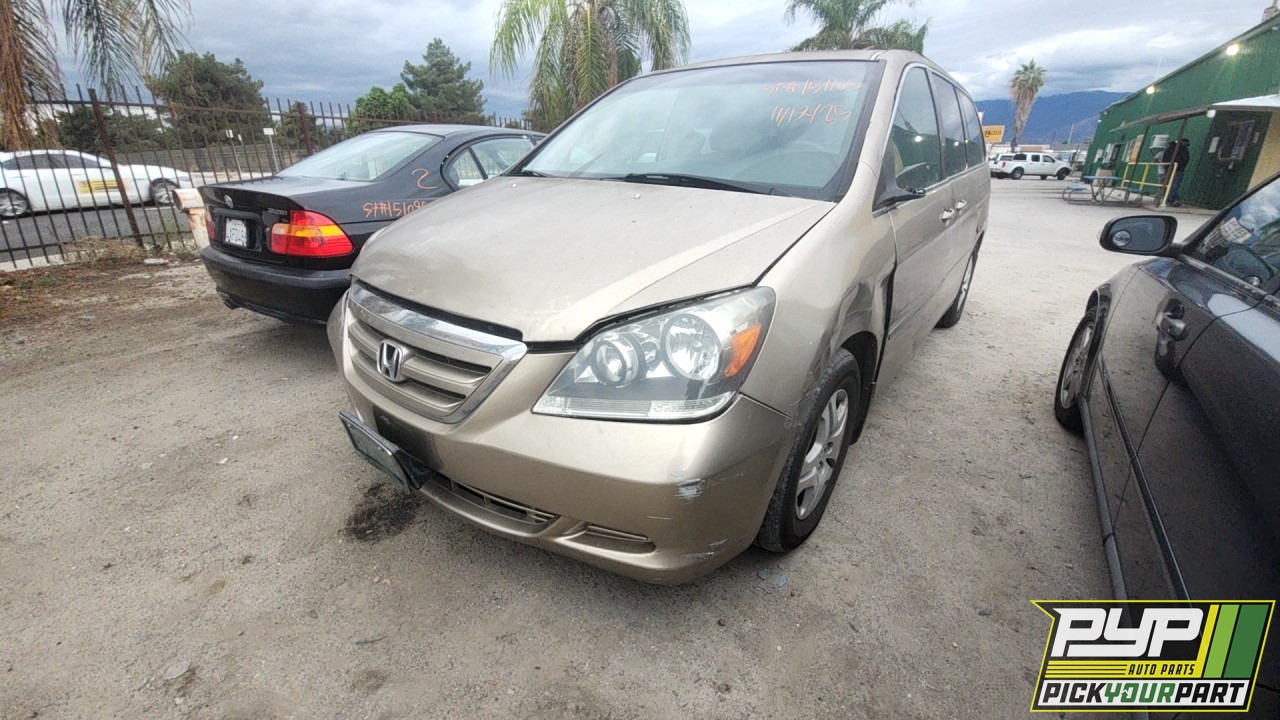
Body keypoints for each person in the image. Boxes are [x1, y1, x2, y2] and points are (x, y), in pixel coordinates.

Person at [1167, 138, 1192, 207]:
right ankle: (1170, 200)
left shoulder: (1170, 148)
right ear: (1183, 142)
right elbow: (1185, 159)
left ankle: (1170, 199)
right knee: (1174, 185)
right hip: (1178, 170)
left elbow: (1165, 158)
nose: (1188, 144)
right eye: (1186, 142)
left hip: (1168, 169)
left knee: (1168, 185)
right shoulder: (1183, 150)